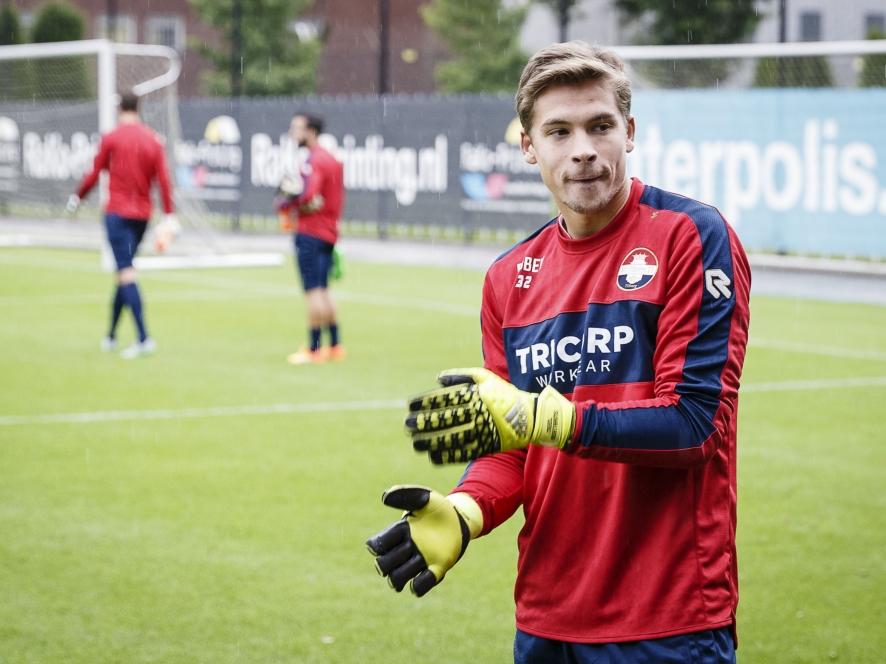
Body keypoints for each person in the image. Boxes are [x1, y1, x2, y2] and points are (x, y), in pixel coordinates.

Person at [366, 42, 751, 664]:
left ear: (629, 133)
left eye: (600, 126)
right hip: (546, 618)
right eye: (559, 131)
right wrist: (465, 510)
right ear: (527, 145)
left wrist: (554, 419)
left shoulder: (690, 235)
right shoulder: (508, 276)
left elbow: (693, 426)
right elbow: (513, 445)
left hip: (668, 619)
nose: (583, 149)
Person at [67, 91, 178, 359]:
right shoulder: (152, 139)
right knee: (123, 271)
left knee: (126, 272)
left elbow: (94, 172)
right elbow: (163, 179)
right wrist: (169, 214)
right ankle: (111, 335)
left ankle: (143, 338)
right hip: (141, 215)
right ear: (139, 107)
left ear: (120, 108)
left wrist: (77, 197)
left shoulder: (113, 137)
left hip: (117, 213)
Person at [276, 113, 346, 365]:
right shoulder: (332, 159)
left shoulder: (314, 160)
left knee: (313, 291)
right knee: (324, 290)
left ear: (311, 132)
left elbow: (308, 195)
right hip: (328, 232)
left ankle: (314, 349)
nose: (294, 133)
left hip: (310, 233)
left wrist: (288, 202)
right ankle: (336, 345)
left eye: (298, 128)